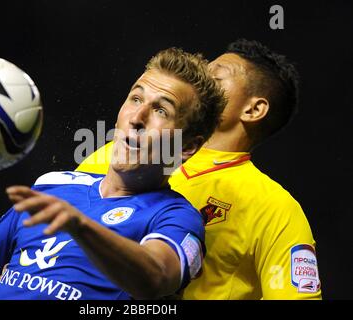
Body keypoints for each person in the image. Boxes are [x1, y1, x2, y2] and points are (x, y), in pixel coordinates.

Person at [0, 48, 226, 300]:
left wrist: (80, 226)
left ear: (186, 147)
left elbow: (154, 280)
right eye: (136, 97)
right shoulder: (53, 187)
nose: (137, 116)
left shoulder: (175, 217)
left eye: (161, 110)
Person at [74, 39, 322, 299]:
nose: (200, 81)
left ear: (253, 109)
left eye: (215, 77)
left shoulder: (274, 207)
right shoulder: (118, 153)